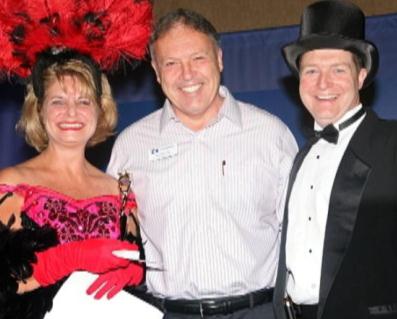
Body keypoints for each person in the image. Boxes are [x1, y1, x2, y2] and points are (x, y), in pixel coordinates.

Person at [107, 8, 298, 319]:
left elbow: (300, 236)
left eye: (198, 58)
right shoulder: (130, 147)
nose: (187, 74)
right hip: (170, 313)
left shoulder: (270, 135)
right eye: (171, 63)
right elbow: (114, 238)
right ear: (156, 71)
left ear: (219, 59)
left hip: (258, 312)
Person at [0, 1, 152, 318]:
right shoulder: (10, 184)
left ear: (101, 109)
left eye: (84, 101)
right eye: (58, 101)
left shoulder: (120, 190)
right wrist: (72, 257)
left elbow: (137, 260)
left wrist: (133, 272)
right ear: (38, 111)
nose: (72, 113)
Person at [273, 1, 397, 319]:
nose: (323, 84)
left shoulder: (391, 143)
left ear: (361, 76)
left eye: (338, 70)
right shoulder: (300, 158)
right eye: (311, 70)